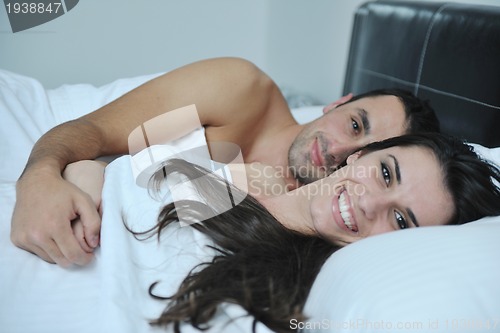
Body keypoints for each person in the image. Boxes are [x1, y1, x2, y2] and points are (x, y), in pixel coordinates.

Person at [11, 57, 440, 266]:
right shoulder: (244, 92)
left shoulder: (322, 224)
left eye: (367, 152)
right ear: (338, 103)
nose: (339, 151)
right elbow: (90, 133)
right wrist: (37, 176)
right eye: (354, 124)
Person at [63, 132, 500, 332]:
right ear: (360, 154)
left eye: (402, 221)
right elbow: (106, 164)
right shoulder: (232, 173)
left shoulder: (291, 304)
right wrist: (78, 180)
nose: (369, 203)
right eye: (385, 173)